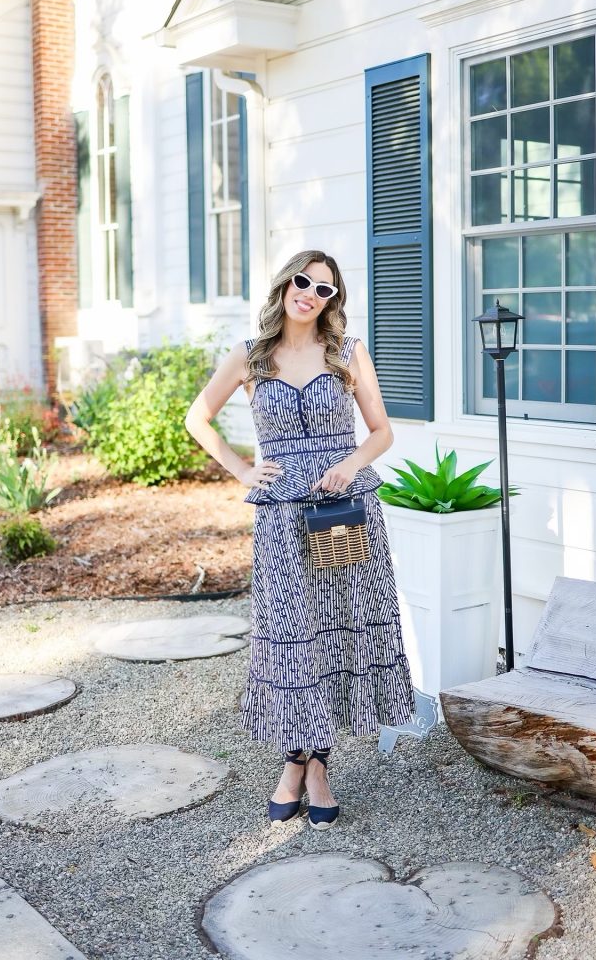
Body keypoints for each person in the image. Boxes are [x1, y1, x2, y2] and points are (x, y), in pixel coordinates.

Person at [185, 249, 414, 830]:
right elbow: (196, 418)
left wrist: (348, 464)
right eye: (304, 282)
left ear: (334, 301)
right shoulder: (251, 355)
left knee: (335, 638)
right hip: (283, 518)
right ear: (286, 284)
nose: (311, 294)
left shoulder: (347, 352)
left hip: (344, 511)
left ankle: (314, 769)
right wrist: (241, 470)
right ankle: (301, 767)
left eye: (325, 289)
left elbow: (382, 430)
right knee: (292, 639)